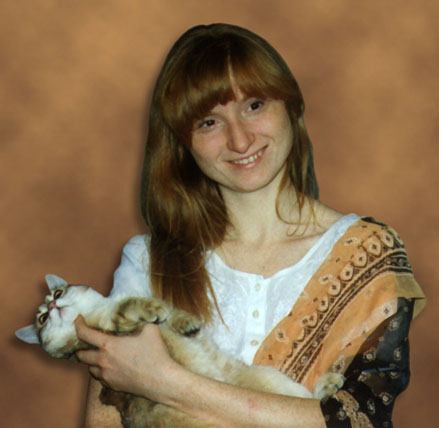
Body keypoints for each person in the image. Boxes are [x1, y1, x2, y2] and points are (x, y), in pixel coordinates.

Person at [74, 23, 426, 428]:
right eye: (208, 122)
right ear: (182, 143)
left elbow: (361, 419)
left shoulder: (368, 252)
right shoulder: (147, 262)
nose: (240, 140)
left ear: (292, 106)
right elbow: (105, 418)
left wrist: (165, 380)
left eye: (255, 105)